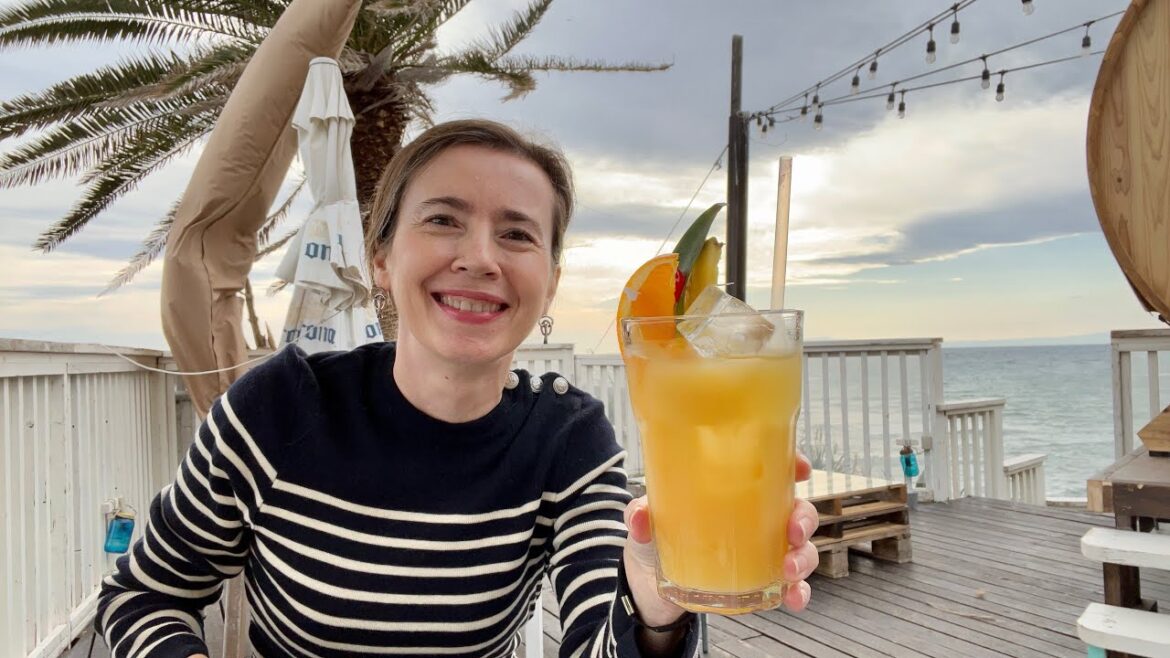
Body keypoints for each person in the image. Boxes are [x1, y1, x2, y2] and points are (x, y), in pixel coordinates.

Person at [96, 119, 821, 658]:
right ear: (382, 258)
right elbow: (144, 593)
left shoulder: (566, 438)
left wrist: (654, 604)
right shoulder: (279, 408)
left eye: (517, 235)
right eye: (443, 220)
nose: (478, 258)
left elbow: (597, 640)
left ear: (551, 282)